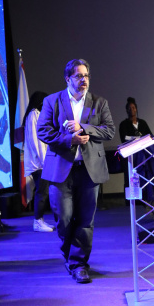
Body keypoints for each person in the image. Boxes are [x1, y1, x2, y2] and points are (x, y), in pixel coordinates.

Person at [37, 58, 115, 284]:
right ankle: (70, 254)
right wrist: (68, 139)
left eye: (86, 76)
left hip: (89, 170)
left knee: (85, 220)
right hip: (61, 169)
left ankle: (79, 264)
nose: (84, 80)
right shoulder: (52, 101)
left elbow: (109, 131)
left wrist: (84, 128)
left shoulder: (99, 102)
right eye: (79, 76)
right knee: (63, 218)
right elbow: (43, 131)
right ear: (67, 78)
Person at [23, 91, 54, 232]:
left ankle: (40, 220)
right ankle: (38, 221)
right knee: (42, 192)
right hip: (39, 162)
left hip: (41, 161)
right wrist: (44, 161)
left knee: (44, 191)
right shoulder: (33, 115)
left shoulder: (37, 114)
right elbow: (35, 141)